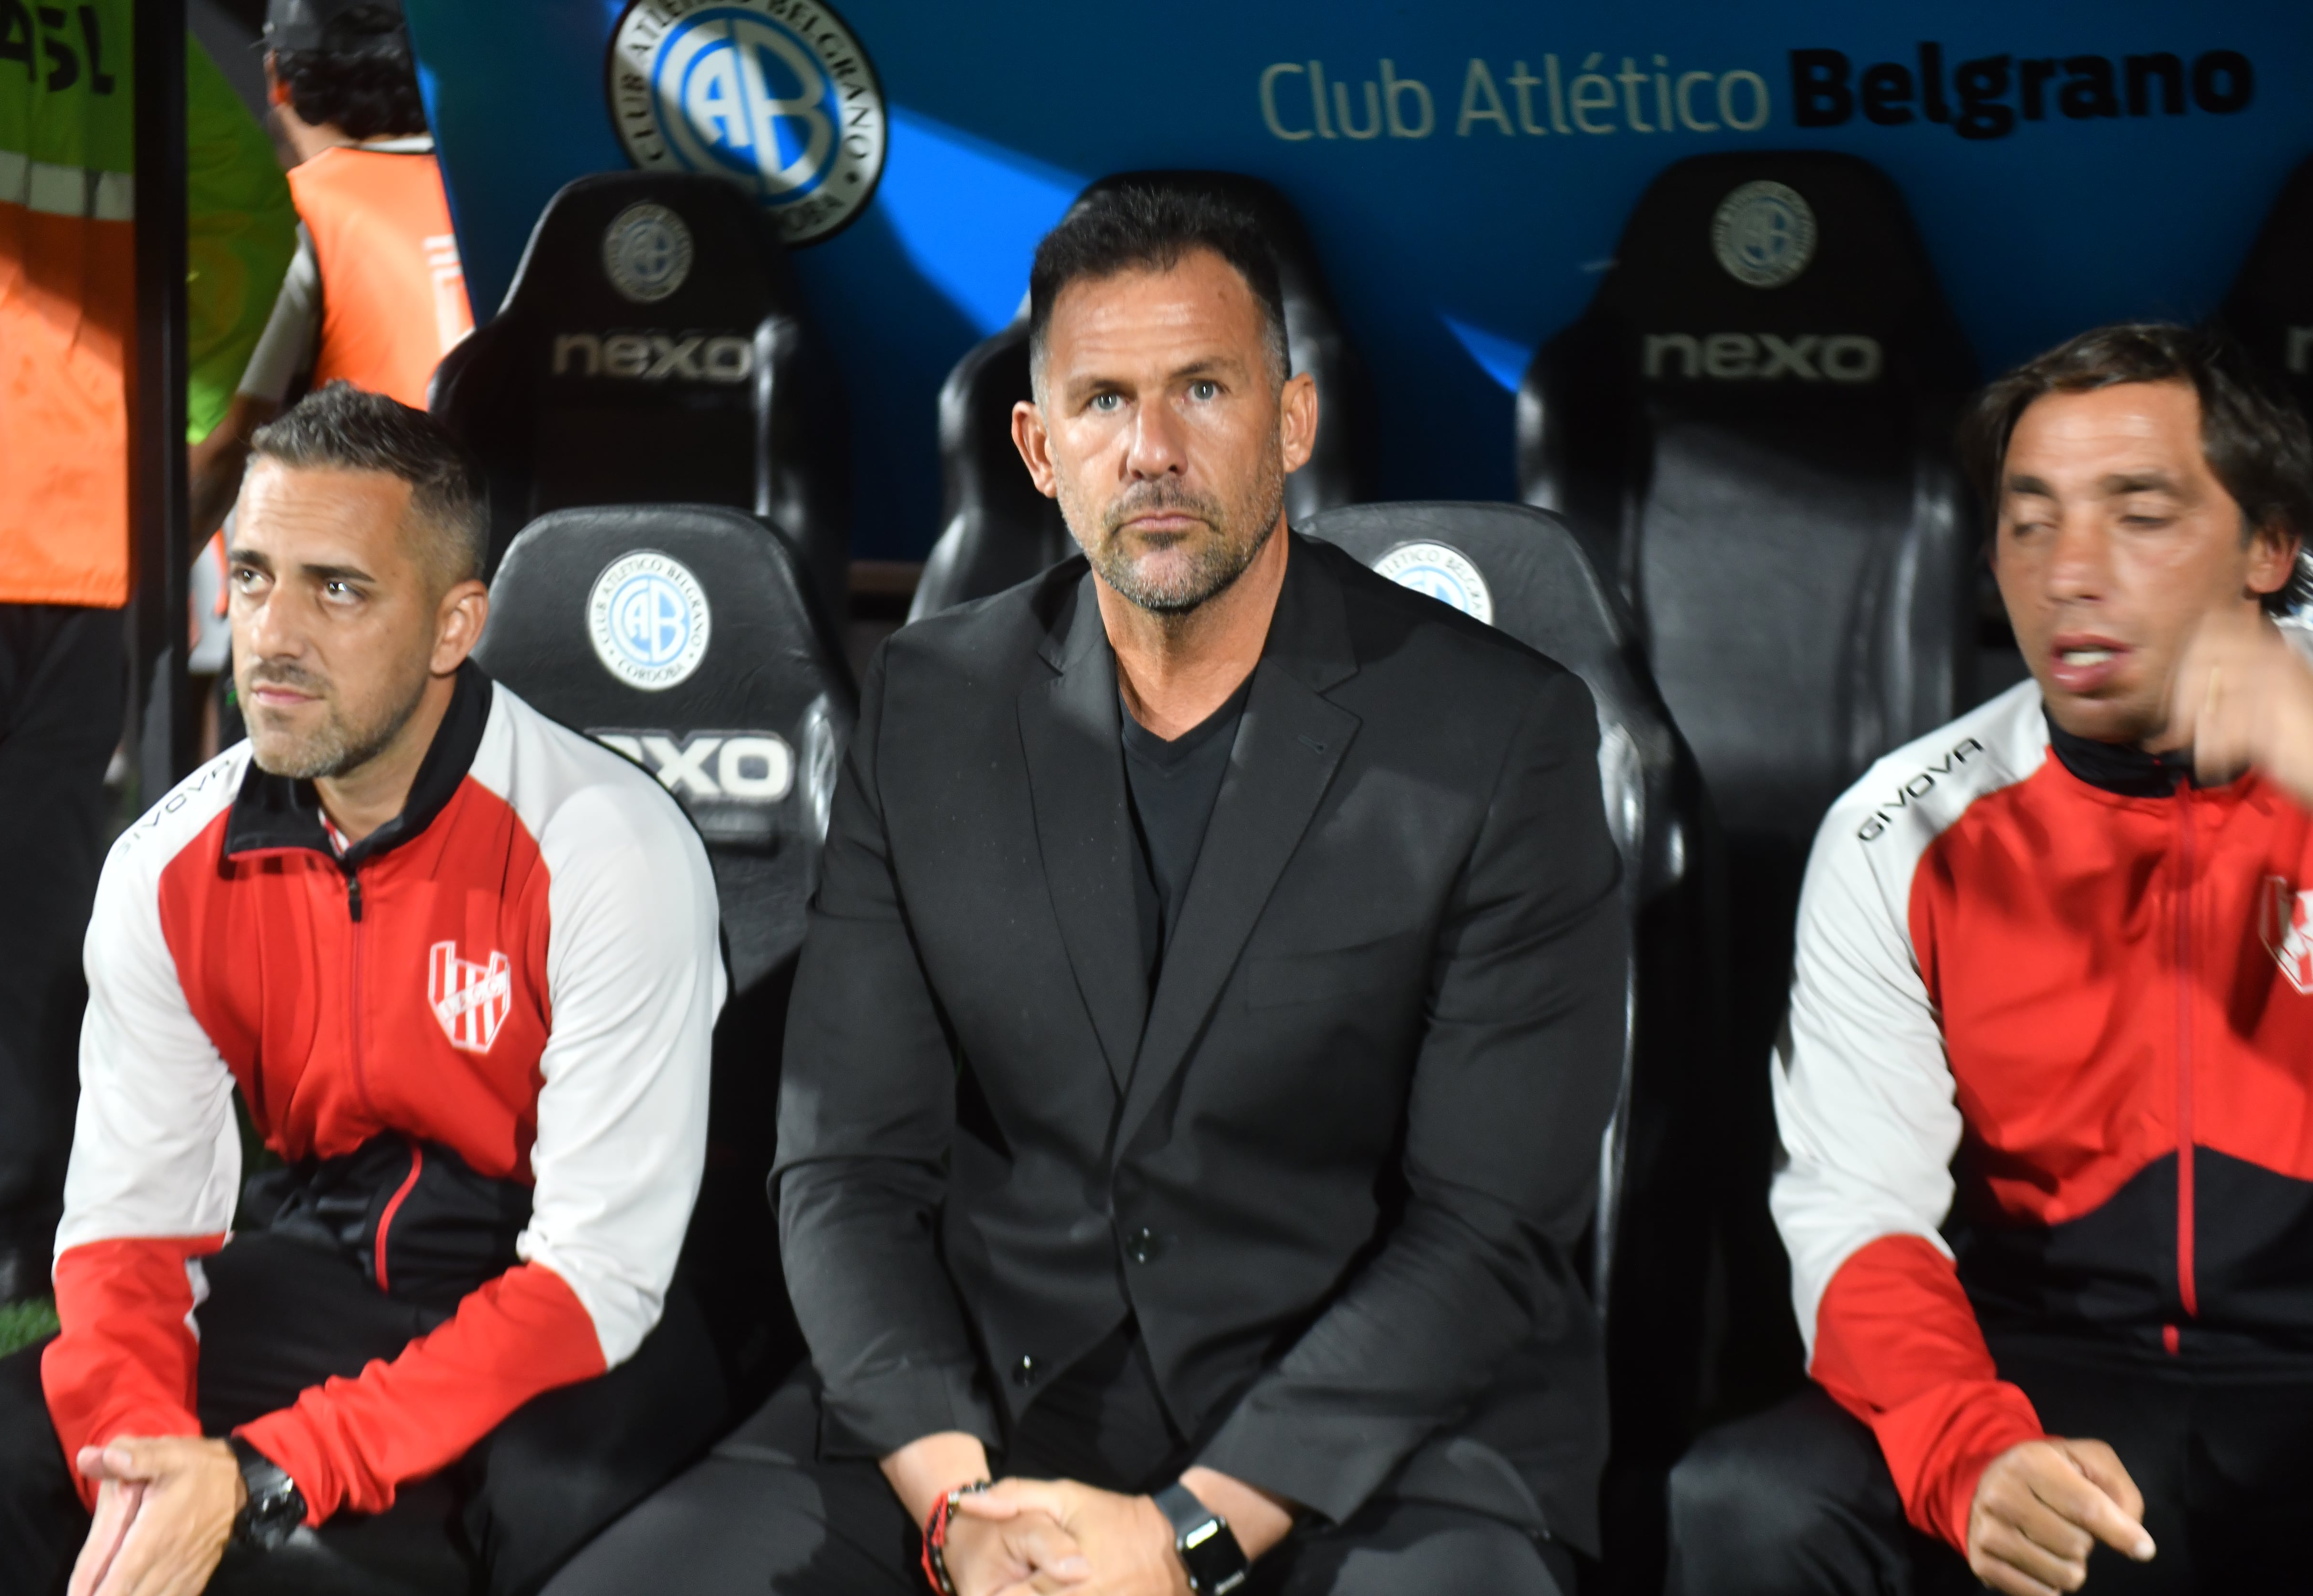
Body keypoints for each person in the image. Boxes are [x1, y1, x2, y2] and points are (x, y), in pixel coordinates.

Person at [552, 185, 1626, 1596]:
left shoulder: (1499, 734)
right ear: (1038, 446)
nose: (1155, 451)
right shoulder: (921, 709)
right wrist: (959, 1506)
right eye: (1104, 402)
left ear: (1291, 423)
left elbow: (1485, 1233)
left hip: (1368, 1454)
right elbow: (844, 1171)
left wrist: (1181, 1534)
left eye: (1202, 389)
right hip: (984, 1420)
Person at [0, 386, 730, 1596]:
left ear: (456, 625)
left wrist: (265, 1473)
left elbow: (599, 1278)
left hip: (580, 1295)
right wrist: (144, 1463)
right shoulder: (165, 865)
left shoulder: (606, 848)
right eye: (251, 576)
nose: (272, 634)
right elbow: (131, 1229)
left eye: (337, 589)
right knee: (4, 1443)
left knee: (383, 1544)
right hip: (342, 1248)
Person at [1665, 322, 2313, 1596]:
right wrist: (1970, 1451)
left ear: (2270, 550)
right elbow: (1857, 1212)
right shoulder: (1903, 825)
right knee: (1752, 1503)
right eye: (2031, 522)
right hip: (2056, 1373)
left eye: (2140, 514)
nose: (2073, 571)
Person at [0, 0, 296, 1320]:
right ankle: (28, 1222)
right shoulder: (143, 40)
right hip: (95, 524)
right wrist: (183, 424)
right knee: (40, 890)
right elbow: (251, 223)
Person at [190, 0, 476, 548]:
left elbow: (224, 444)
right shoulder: (495, 200)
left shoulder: (298, 212)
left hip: (372, 562)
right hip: (504, 550)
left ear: (278, 79)